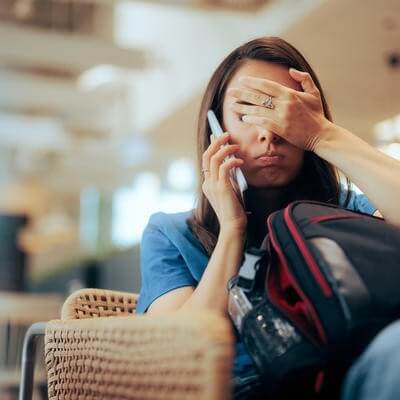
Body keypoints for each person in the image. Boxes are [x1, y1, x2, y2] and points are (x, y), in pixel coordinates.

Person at [135, 37, 400, 399]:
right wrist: (231, 229)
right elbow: (173, 358)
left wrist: (323, 135)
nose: (268, 133)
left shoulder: (349, 213)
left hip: (347, 375)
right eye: (247, 114)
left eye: (284, 113)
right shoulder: (171, 234)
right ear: (216, 129)